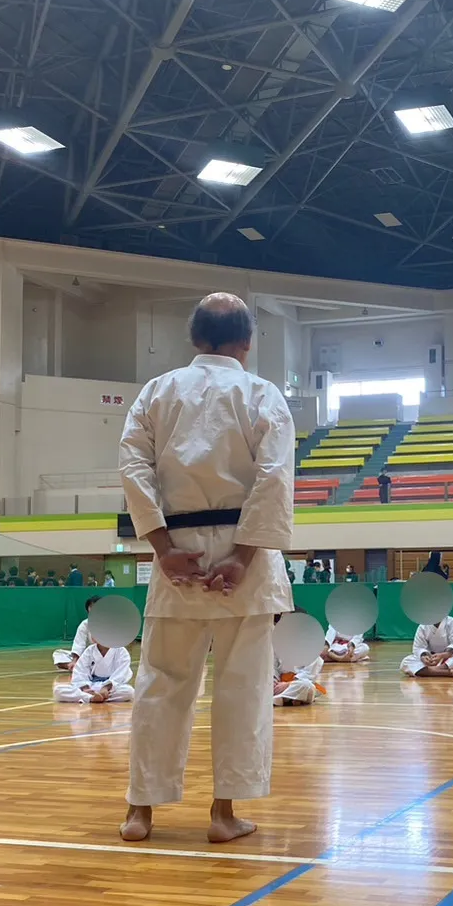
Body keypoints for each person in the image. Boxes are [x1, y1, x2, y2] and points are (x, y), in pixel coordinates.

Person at [117, 292, 294, 845]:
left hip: (178, 553)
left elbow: (133, 467)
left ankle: (140, 812)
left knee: (161, 684)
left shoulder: (158, 392)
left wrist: (161, 547)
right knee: (241, 689)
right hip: (248, 555)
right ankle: (223, 813)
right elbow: (274, 477)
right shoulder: (262, 394)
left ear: (195, 339)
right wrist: (243, 557)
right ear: (247, 341)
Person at [53, 638, 135, 704]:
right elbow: (80, 672)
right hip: (91, 686)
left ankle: (93, 697)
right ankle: (92, 698)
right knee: (58, 690)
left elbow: (122, 673)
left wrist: (106, 688)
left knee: (129, 692)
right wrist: (85, 688)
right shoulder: (89, 650)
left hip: (110, 688)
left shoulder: (121, 651)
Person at [399, 614, 453, 678]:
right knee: (406, 662)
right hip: (430, 660)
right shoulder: (423, 626)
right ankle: (444, 673)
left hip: (448, 659)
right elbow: (419, 648)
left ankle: (431, 671)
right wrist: (424, 656)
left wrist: (442, 655)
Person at [54, 597, 100, 669]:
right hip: (87, 657)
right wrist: (74, 661)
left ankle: (81, 668)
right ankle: (75, 666)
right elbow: (79, 644)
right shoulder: (85, 624)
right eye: (91, 607)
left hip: (106, 657)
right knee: (58, 654)